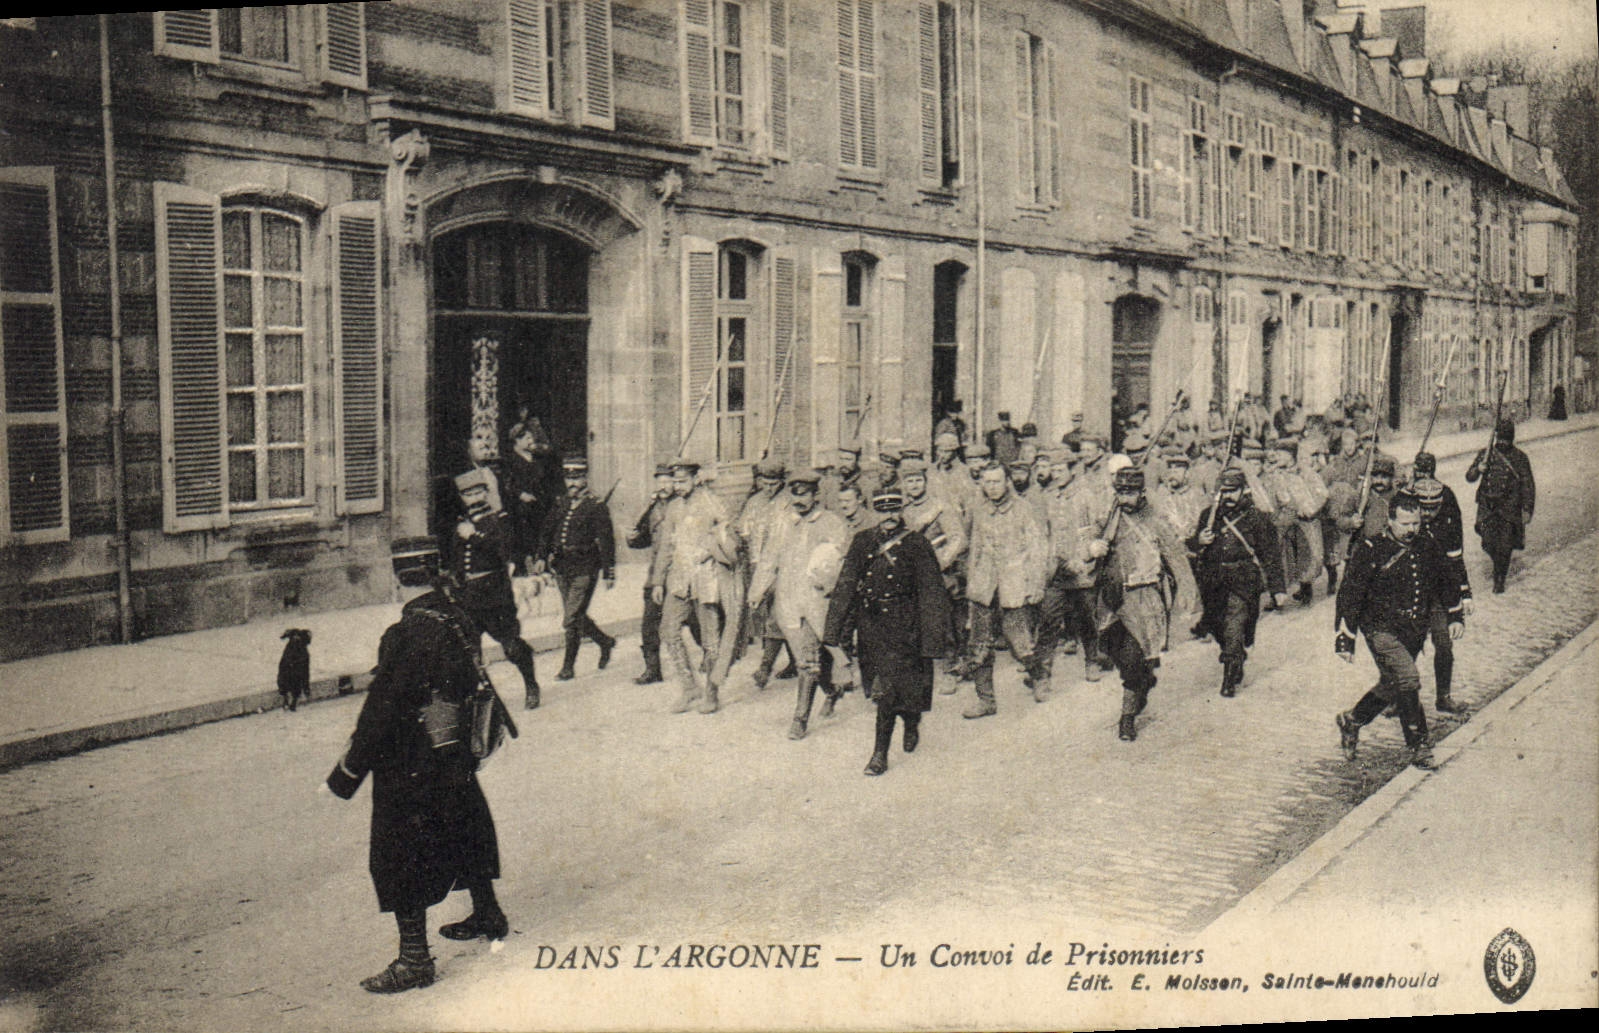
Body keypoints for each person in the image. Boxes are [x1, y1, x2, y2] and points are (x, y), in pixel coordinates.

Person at [325, 537, 509, 994]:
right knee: (464, 823)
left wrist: (349, 768)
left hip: (412, 757)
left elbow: (382, 707)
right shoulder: (455, 613)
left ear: (396, 575)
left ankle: (414, 961)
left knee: (400, 849)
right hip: (452, 751)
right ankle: (488, 912)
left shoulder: (406, 632)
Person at [1334, 491, 1467, 770]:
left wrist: (1455, 615)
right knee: (1408, 678)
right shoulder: (1371, 549)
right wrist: (1346, 638)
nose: (1412, 529)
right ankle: (1419, 746)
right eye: (1405, 524)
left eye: (1416, 523)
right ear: (1390, 520)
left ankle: (1352, 720)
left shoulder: (1426, 543)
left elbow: (1445, 578)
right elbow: (1350, 595)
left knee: (1392, 685)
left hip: (1413, 629)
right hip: (1381, 629)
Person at [825, 489, 952, 776]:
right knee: (881, 688)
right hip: (871, 627)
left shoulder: (917, 544)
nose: (889, 517)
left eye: (894, 510)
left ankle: (880, 753)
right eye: (883, 511)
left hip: (907, 628)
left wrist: (932, 640)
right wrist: (832, 632)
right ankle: (909, 718)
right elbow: (846, 585)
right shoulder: (862, 542)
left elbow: (932, 593)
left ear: (902, 511)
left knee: (889, 691)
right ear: (874, 512)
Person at [1087, 466, 1198, 741]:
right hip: (1113, 601)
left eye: (1131, 493)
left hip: (1145, 598)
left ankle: (1126, 717)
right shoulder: (1108, 517)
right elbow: (1085, 542)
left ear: (1142, 493)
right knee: (1121, 655)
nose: (1125, 498)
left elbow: (1176, 557)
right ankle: (1142, 683)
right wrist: (1092, 548)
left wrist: (1188, 593)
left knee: (1134, 658)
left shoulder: (1155, 520)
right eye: (1120, 492)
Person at [750, 469, 851, 740]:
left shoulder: (830, 522)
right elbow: (769, 559)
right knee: (807, 660)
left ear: (816, 495)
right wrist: (757, 591)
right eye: (795, 495)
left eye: (805, 495)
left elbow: (841, 561)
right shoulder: (783, 522)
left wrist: (829, 584)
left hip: (818, 602)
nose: (799, 501)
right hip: (788, 601)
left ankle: (799, 720)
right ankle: (832, 691)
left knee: (808, 661)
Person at [448, 445, 541, 710]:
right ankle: (478, 698)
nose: (473, 497)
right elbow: (457, 559)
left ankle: (531, 684)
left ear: (486, 493)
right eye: (467, 494)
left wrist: (474, 536)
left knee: (511, 647)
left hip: (494, 595)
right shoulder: (462, 523)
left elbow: (503, 552)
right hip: (468, 596)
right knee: (470, 652)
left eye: (478, 491)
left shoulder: (499, 520)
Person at [650, 460, 740, 714]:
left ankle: (711, 692)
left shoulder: (711, 502)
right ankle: (689, 688)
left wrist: (712, 549)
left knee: (711, 639)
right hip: (679, 579)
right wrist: (658, 581)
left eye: (683, 481)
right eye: (675, 481)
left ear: (696, 479)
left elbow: (730, 535)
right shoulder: (674, 508)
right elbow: (666, 546)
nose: (678, 486)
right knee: (668, 631)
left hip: (706, 578)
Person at [961, 462, 1050, 716]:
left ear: (1007, 482)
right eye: (987, 482)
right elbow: (974, 547)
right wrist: (972, 585)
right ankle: (986, 700)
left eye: (996, 481)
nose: (991, 487)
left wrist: (1035, 583)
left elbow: (1037, 548)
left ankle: (1039, 676)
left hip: (1014, 583)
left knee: (1019, 640)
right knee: (979, 645)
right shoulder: (979, 510)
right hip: (984, 585)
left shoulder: (1023, 509)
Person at [1189, 468, 1287, 697]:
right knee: (1216, 625)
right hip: (1213, 582)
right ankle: (1235, 655)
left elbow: (1270, 555)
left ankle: (1229, 676)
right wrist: (1199, 541)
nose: (1229, 496)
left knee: (1234, 625)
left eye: (1233, 491)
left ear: (1244, 490)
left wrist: (1278, 588)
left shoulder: (1257, 518)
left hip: (1243, 580)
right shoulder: (1209, 515)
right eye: (1224, 491)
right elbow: (1194, 546)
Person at [534, 454, 616, 681]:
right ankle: (605, 641)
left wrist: (609, 571)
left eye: (577, 478)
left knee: (571, 618)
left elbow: (607, 540)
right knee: (577, 615)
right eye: (568, 478)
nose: (572, 483)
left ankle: (568, 667)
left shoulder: (596, 506)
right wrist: (541, 555)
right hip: (562, 567)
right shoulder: (561, 503)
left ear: (585, 479)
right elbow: (546, 531)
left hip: (585, 568)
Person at [1412, 474, 1472, 716]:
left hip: (1436, 598)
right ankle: (1398, 696)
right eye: (1422, 509)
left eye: (1432, 509)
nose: (1427, 514)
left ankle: (1443, 696)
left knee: (1444, 645)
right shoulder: (1406, 527)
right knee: (1407, 648)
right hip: (1410, 598)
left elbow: (1455, 564)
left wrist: (1460, 606)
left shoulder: (1447, 527)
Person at [739, 459, 793, 690]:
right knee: (768, 616)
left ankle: (764, 668)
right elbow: (744, 530)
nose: (769, 487)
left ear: (781, 482)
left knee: (776, 615)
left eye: (774, 483)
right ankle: (795, 659)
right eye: (765, 482)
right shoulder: (753, 502)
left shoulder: (789, 502)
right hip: (757, 566)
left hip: (782, 567)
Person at [1464, 418, 1535, 593]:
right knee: (1488, 542)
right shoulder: (1486, 453)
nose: (1502, 441)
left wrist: (1526, 509)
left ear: (1511, 438)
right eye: (1500, 438)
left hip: (1508, 508)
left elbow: (1528, 485)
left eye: (1506, 438)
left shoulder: (1520, 458)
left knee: (1504, 545)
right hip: (1487, 506)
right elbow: (1469, 477)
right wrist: (1478, 469)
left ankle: (1500, 578)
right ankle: (1498, 566)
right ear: (1496, 437)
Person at [625, 464, 677, 685]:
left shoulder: (682, 505)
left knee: (694, 620)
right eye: (660, 482)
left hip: (680, 572)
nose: (664, 486)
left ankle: (709, 655)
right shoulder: (653, 508)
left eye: (668, 481)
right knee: (649, 624)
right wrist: (632, 537)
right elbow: (645, 540)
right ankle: (653, 669)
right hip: (656, 573)